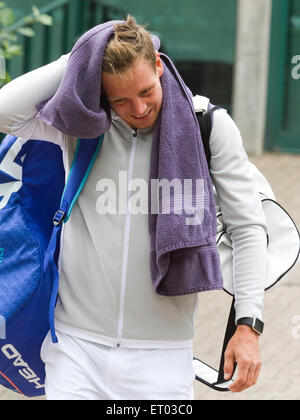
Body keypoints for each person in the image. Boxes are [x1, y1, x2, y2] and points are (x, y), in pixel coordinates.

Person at [0, 16, 267, 400]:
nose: (139, 108)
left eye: (145, 91)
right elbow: (6, 111)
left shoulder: (207, 125)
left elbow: (247, 229)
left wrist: (248, 325)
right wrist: (78, 58)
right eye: (120, 100)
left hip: (162, 356)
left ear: (159, 64)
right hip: (76, 347)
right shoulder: (82, 124)